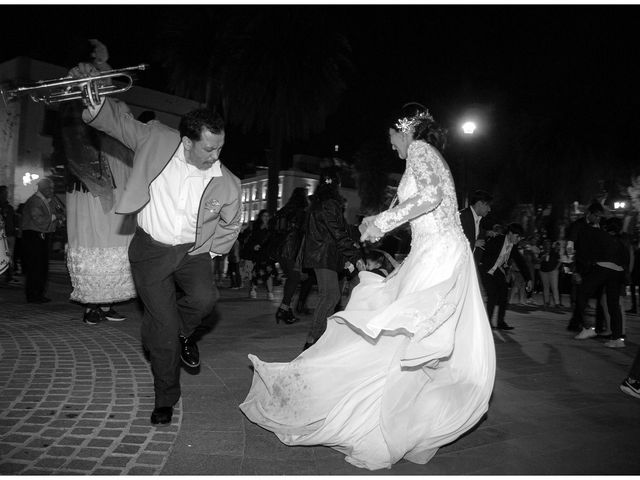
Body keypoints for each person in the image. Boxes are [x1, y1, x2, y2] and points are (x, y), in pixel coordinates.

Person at [240, 103, 496, 470]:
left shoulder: (422, 150)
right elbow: (428, 204)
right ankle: (400, 416)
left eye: (391, 136)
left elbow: (431, 198)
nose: (391, 145)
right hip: (436, 251)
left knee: (401, 334)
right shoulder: (429, 154)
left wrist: (382, 221)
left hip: (437, 254)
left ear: (403, 128)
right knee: (404, 337)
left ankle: (387, 418)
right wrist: (380, 222)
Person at [71, 61, 242, 426]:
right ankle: (166, 396)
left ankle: (179, 332)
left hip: (191, 253)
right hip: (150, 250)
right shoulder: (156, 140)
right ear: (186, 141)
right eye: (209, 149)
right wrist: (95, 102)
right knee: (161, 337)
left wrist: (212, 252)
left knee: (205, 299)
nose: (216, 156)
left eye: (220, 147)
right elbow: (119, 123)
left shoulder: (228, 182)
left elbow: (231, 223)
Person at [62, 39, 137, 325]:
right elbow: (74, 107)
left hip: (116, 172)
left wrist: (105, 65)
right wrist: (82, 79)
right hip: (89, 173)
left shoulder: (117, 105)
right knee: (92, 235)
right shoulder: (76, 90)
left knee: (115, 237)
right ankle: (92, 305)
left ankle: (108, 303)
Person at [300, 167, 364, 350]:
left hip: (321, 255)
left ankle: (316, 338)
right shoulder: (330, 203)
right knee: (330, 295)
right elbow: (337, 232)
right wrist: (353, 255)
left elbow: (338, 230)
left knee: (329, 295)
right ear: (337, 184)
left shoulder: (319, 203)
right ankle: (312, 340)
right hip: (323, 255)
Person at [481, 222, 532, 330]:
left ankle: (500, 322)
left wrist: (528, 279)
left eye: (520, 237)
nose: (518, 239)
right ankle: (488, 323)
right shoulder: (497, 239)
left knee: (504, 294)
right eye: (517, 236)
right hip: (486, 270)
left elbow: (521, 262)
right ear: (510, 233)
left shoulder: (513, 246)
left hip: (497, 271)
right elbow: (484, 252)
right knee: (493, 295)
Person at [272, 187, 310, 324]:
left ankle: (285, 311)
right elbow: (304, 230)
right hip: (291, 249)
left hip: (280, 249)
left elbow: (275, 226)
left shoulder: (284, 210)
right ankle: (283, 309)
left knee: (291, 279)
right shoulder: (301, 211)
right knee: (294, 278)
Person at [21, 178, 62, 303]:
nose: (52, 190)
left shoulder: (47, 201)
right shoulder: (34, 201)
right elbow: (38, 219)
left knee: (42, 266)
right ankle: (33, 294)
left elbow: (57, 214)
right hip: (34, 236)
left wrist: (57, 215)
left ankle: (39, 293)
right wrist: (55, 217)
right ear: (42, 188)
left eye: (52, 188)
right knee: (35, 266)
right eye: (49, 188)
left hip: (42, 236)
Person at [242, 209, 277, 300]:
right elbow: (249, 239)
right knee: (255, 272)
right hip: (257, 254)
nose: (266, 218)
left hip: (267, 254)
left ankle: (270, 292)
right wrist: (253, 246)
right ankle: (253, 290)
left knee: (269, 273)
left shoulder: (271, 228)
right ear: (260, 217)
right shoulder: (255, 227)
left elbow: (273, 241)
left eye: (267, 216)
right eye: (264, 216)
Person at [459, 189, 492, 265]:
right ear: (479, 204)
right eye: (488, 205)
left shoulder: (478, 220)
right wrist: (474, 243)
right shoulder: (462, 216)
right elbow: (455, 241)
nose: (489, 209)